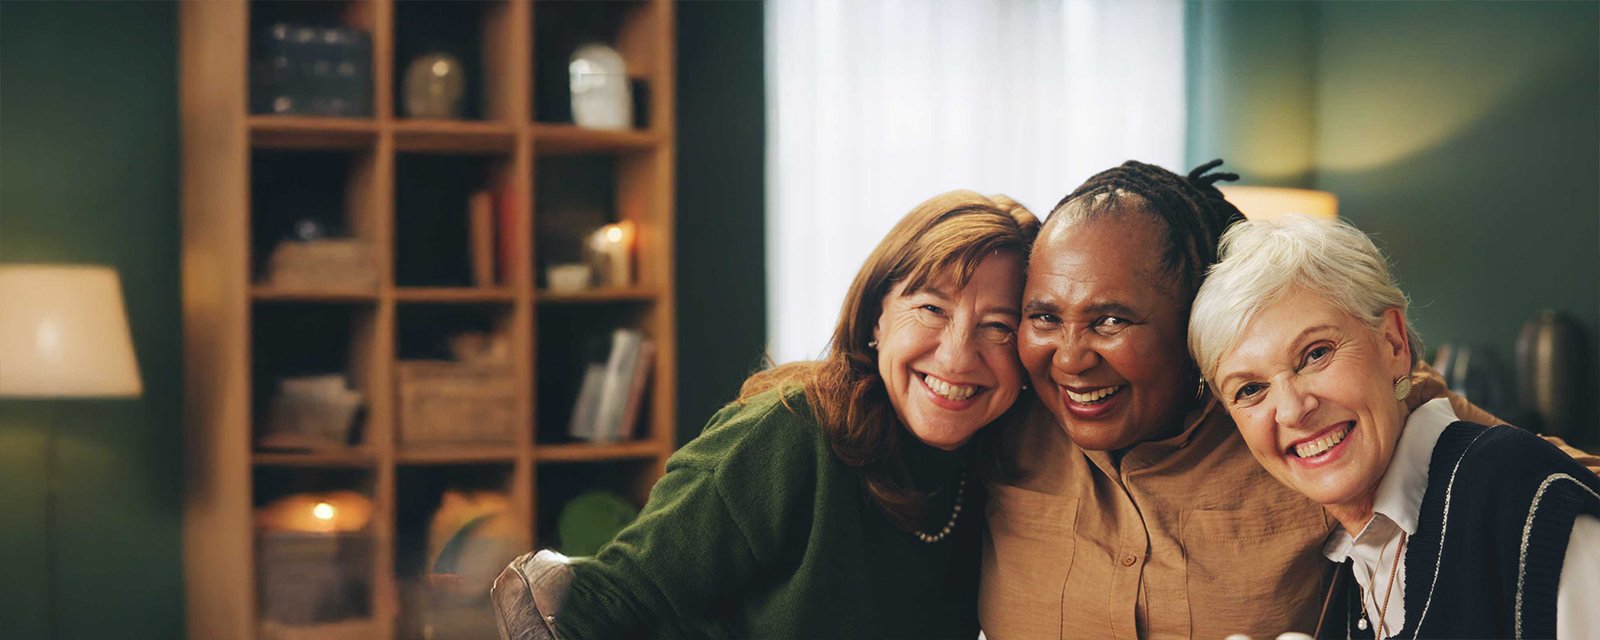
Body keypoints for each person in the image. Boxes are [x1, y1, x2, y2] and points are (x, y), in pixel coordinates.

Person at [977, 160, 1520, 639]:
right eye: (1045, 317)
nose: (1070, 359)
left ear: (1195, 328)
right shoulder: (1003, 418)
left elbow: (1555, 494)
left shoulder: (1304, 428)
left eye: (1112, 320)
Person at [492, 190, 1040, 639]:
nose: (957, 354)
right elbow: (602, 607)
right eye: (931, 309)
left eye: (998, 325)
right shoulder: (792, 431)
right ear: (877, 317)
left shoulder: (1005, 473)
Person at [1189, 215, 1600, 639]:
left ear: (1393, 343)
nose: (1292, 411)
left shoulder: (1510, 486)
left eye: (1315, 354)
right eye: (1251, 389)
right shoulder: (1355, 564)